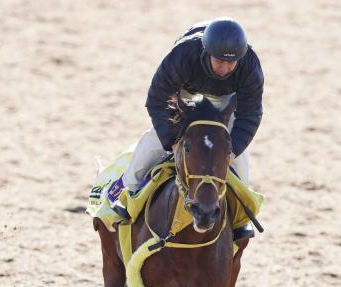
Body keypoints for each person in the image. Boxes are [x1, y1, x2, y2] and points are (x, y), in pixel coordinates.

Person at [110, 17, 264, 239]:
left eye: (231, 63)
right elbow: (157, 100)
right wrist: (170, 140)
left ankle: (241, 219)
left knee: (241, 160)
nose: (226, 68)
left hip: (227, 99)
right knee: (153, 140)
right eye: (219, 61)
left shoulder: (249, 64)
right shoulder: (184, 54)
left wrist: (233, 149)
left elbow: (250, 114)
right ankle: (128, 194)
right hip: (184, 93)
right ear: (207, 52)